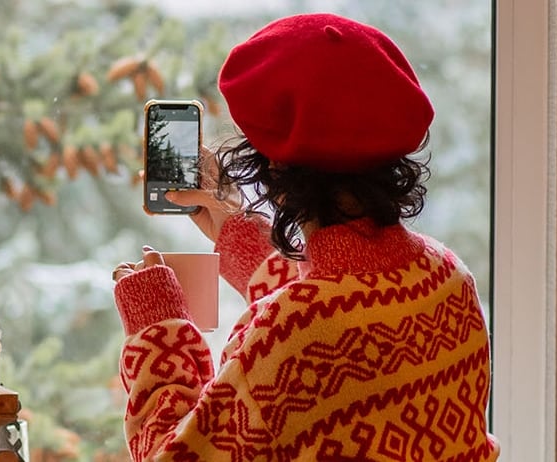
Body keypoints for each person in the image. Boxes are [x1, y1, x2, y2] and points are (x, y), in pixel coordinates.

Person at [110, 13, 500, 461]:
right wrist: (234, 230)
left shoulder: (289, 336)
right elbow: (345, 318)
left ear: (275, 170)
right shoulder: (449, 279)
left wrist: (156, 326)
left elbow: (174, 455)